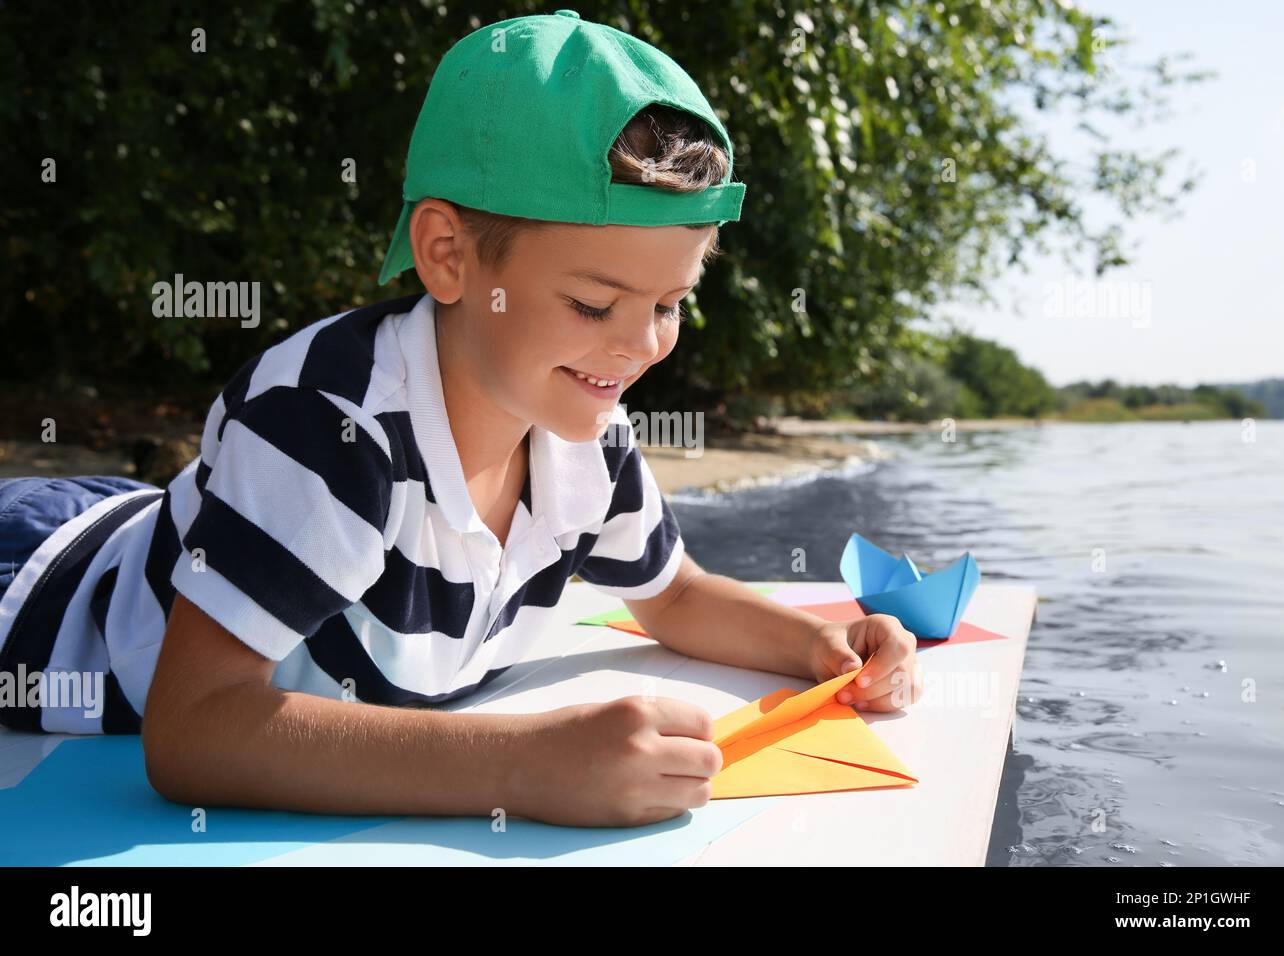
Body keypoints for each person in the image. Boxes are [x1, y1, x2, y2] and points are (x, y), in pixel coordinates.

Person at [0, 9, 921, 827]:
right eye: (596, 305)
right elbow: (194, 729)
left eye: (671, 304)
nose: (642, 346)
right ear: (448, 256)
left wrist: (815, 645)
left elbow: (673, 595)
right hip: (36, 584)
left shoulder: (583, 430)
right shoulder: (327, 429)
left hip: (161, 513)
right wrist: (520, 766)